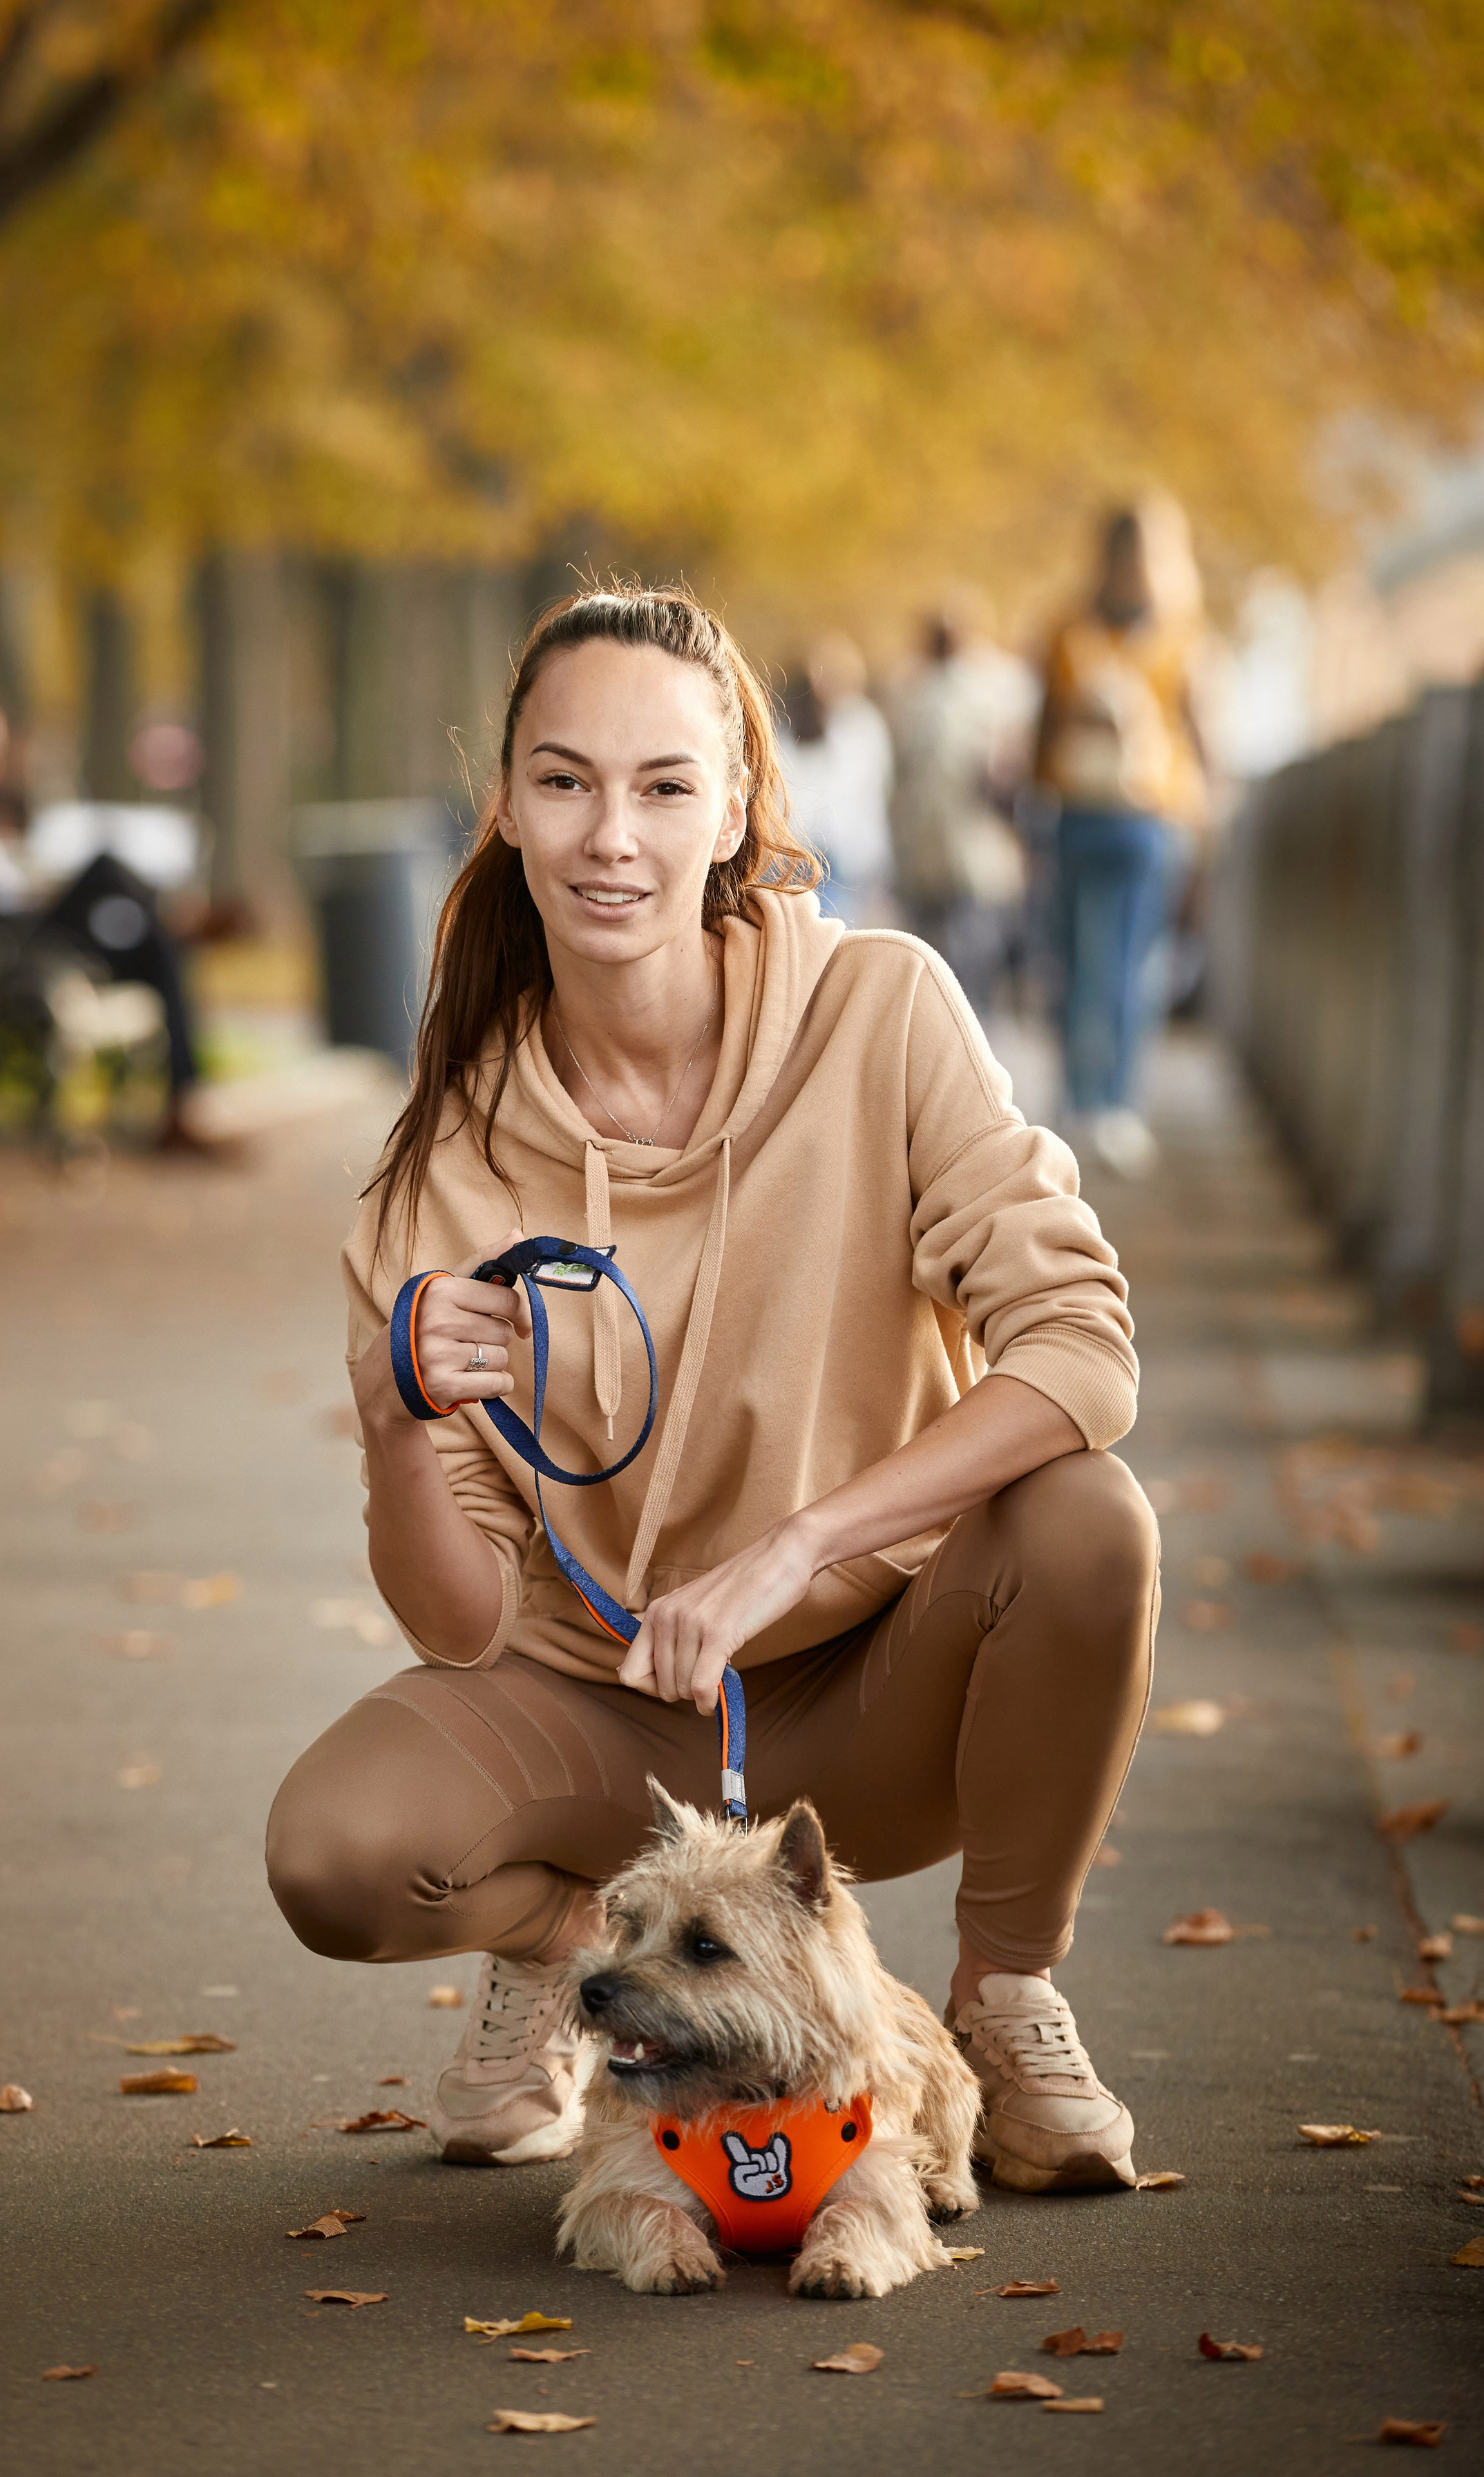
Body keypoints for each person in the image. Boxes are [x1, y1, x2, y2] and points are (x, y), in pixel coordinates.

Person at [265, 583, 1159, 2197]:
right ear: (508, 807)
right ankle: (582, 1957)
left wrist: (799, 1547)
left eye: (664, 785)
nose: (612, 835)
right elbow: (456, 1627)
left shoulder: (878, 1012)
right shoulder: (441, 1161)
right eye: (564, 781)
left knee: (1086, 1519)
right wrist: (396, 1429)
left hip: (868, 1696)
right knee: (331, 1852)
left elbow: (1079, 1346)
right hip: (596, 1719)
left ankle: (1000, 1998)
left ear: (735, 802)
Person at [0, 676, 225, 1155]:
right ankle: (180, 917)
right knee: (105, 867)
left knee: (155, 951)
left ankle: (184, 1107)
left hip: (11, 924)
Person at [1034, 497, 1210, 1178]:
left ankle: (1111, 1101)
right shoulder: (1067, 633)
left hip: (1148, 820)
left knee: (1132, 966)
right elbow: (1044, 730)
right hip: (1082, 814)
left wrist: (1204, 824)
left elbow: (1197, 735)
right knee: (1082, 960)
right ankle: (1087, 1099)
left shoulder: (1181, 638)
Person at [888, 603, 1034, 1021]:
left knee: (971, 963)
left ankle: (971, 1054)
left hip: (971, 855)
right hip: (930, 856)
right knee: (932, 966)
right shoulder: (915, 695)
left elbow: (1006, 775)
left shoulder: (987, 692)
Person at [775, 634, 895, 927]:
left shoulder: (861, 726)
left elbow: (872, 791)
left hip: (849, 855)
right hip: (805, 850)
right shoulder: (787, 726)